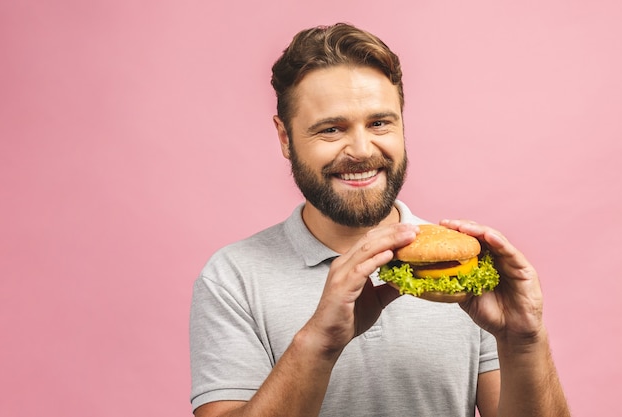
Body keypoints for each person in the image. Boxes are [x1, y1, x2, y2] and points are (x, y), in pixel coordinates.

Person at [189, 23, 571, 417]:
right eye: (331, 129)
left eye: (379, 123)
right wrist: (319, 342)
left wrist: (524, 341)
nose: (360, 149)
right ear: (285, 139)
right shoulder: (232, 278)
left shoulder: (466, 271)